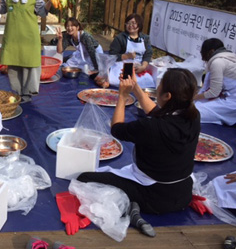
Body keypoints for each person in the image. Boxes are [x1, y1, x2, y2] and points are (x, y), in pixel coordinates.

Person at [77, 68, 200, 237]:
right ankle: (132, 204)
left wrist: (122, 96)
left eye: (160, 85)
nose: (158, 87)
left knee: (84, 179)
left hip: (155, 198)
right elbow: (158, 113)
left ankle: (130, 209)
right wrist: (135, 87)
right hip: (183, 193)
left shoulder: (152, 127)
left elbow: (117, 129)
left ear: (167, 96)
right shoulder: (192, 116)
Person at [0, 0, 52, 103]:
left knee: (30, 65)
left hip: (29, 37)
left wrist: (50, 2)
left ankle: (28, 93)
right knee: (14, 65)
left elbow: (42, 12)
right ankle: (18, 93)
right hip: (12, 36)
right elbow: (1, 10)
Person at [194, 38, 236, 125]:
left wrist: (193, 98)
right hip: (227, 98)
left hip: (231, 104)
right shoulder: (227, 58)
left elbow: (214, 93)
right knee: (193, 105)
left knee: (193, 112)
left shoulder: (217, 62)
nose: (202, 58)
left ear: (211, 51)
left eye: (203, 54)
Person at [108, 13, 155, 88]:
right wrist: (127, 56)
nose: (130, 26)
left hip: (138, 67)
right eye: (128, 23)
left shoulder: (145, 38)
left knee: (148, 81)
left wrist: (143, 66)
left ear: (139, 25)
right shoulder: (120, 38)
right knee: (120, 82)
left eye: (133, 23)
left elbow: (148, 54)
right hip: (122, 66)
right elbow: (112, 55)